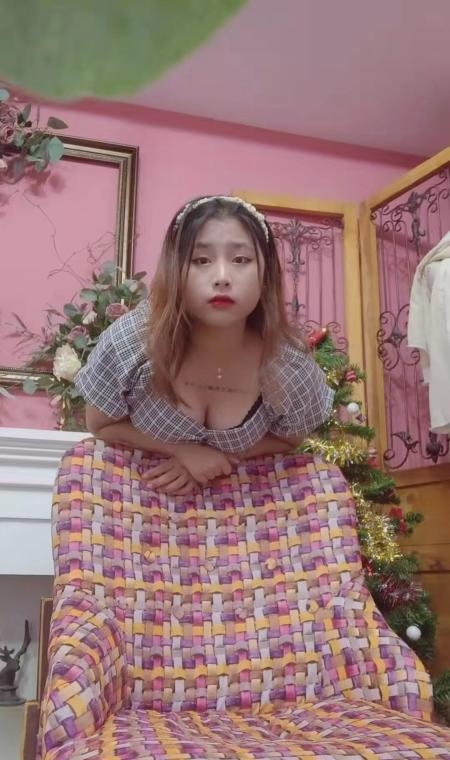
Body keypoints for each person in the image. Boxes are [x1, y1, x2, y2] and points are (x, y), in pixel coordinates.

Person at [75, 195, 334, 495]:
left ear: (265, 275)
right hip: (135, 506)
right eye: (201, 260)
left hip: (243, 512)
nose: (222, 278)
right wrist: (182, 452)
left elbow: (290, 439)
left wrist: (221, 459)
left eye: (241, 260)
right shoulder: (132, 341)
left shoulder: (290, 365)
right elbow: (100, 425)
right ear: (176, 271)